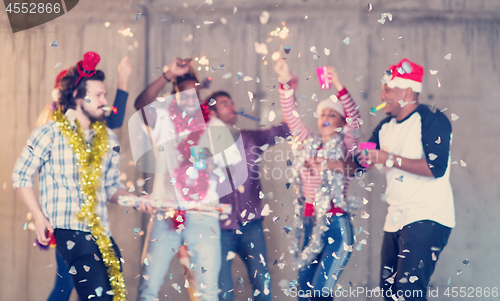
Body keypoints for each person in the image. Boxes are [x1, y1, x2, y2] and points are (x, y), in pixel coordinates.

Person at [12, 52, 154, 301]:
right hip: (70, 231)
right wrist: (38, 215)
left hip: (102, 234)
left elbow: (111, 187)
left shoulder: (108, 139)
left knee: (113, 297)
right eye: (99, 95)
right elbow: (21, 175)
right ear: (77, 96)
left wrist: (133, 199)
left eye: (105, 95)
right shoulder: (49, 133)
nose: (105, 101)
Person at [132, 58, 241, 301]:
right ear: (174, 95)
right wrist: (168, 73)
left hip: (204, 214)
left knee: (208, 292)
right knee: (148, 288)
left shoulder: (213, 125)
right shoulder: (162, 119)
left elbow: (234, 168)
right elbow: (140, 105)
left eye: (195, 92)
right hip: (165, 212)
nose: (191, 98)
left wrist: (212, 163)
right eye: (184, 92)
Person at [358, 58, 455, 301]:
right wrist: (331, 161)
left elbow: (436, 167)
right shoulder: (383, 127)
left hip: (428, 216)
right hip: (396, 219)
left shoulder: (433, 119)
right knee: (389, 293)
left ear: (408, 90)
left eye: (387, 89)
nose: (381, 96)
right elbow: (360, 162)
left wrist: (387, 158)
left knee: (409, 292)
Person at [41, 54, 132, 301]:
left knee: (73, 284)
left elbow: (110, 119)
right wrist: (122, 80)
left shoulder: (93, 130)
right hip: (65, 221)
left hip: (91, 223)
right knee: (67, 283)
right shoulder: (56, 128)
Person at [274, 58, 360, 301]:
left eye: (332, 114)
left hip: (335, 222)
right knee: (304, 292)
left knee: (321, 291)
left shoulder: (345, 145)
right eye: (323, 113)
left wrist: (339, 87)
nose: (326, 117)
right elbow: (290, 116)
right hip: (310, 223)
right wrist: (283, 81)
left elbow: (355, 119)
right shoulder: (307, 143)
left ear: (340, 122)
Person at [202, 91, 290, 301]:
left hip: (252, 224)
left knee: (263, 285)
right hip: (219, 226)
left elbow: (285, 130)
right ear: (212, 113)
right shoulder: (203, 144)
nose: (232, 106)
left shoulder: (249, 138)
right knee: (222, 290)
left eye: (232, 101)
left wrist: (288, 90)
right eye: (224, 103)